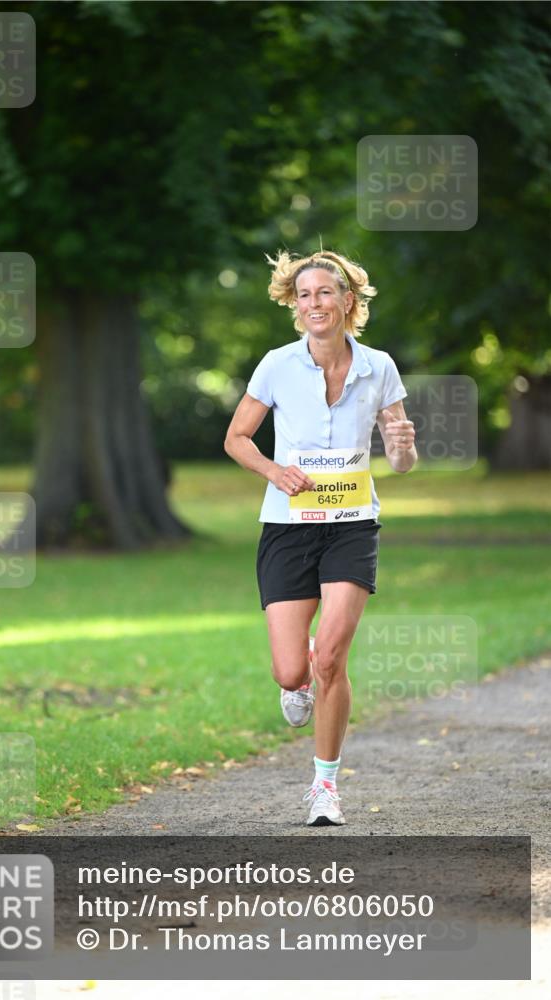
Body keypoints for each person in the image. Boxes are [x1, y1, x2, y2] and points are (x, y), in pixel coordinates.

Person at [224, 248, 417, 826]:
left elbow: (402, 461)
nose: (315, 303)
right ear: (295, 304)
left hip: (352, 525)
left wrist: (402, 448)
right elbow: (237, 438)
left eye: (325, 292)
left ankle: (324, 786)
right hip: (288, 526)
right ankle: (298, 679)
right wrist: (274, 471)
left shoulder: (379, 367)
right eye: (304, 294)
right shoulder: (277, 365)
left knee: (330, 657)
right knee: (293, 671)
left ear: (347, 301)